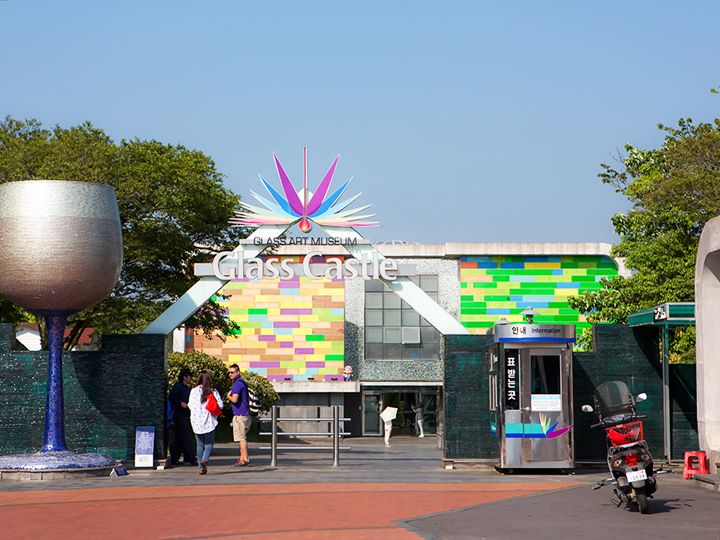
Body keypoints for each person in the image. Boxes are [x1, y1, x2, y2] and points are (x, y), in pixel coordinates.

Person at [188, 372, 223, 475]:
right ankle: (205, 459)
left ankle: (200, 467)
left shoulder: (193, 391)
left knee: (199, 444)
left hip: (196, 421)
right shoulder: (213, 391)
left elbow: (190, 405)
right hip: (209, 421)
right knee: (209, 444)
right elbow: (220, 405)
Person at [168, 368, 197, 466]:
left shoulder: (186, 388)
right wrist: (180, 403)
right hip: (179, 415)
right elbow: (171, 397)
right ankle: (191, 458)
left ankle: (183, 457)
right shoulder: (178, 386)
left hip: (185, 414)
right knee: (186, 436)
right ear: (185, 377)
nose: (190, 378)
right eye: (189, 376)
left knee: (180, 437)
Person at [226, 363, 252, 467]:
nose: (230, 374)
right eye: (229, 372)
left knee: (241, 438)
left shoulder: (237, 384)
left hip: (240, 415)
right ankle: (242, 458)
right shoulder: (243, 382)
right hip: (245, 414)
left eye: (232, 372)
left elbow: (234, 399)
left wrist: (228, 396)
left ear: (238, 372)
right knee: (242, 437)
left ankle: (245, 459)